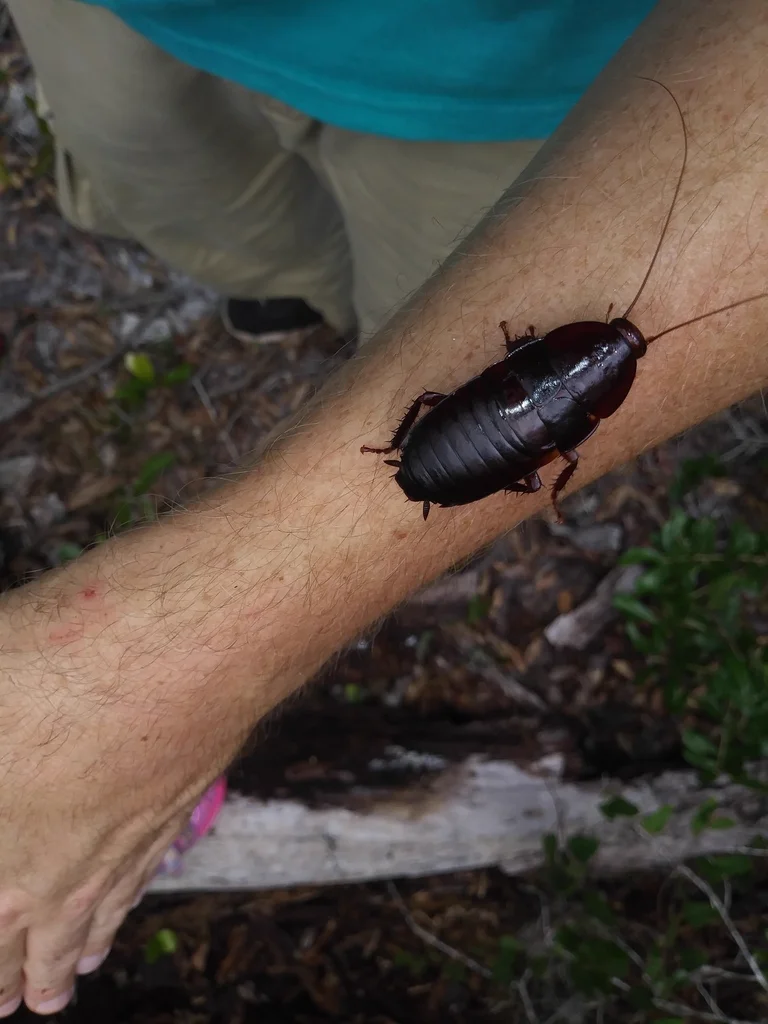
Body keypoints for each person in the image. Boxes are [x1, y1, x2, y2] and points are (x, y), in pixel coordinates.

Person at [1, 0, 767, 1015]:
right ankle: (300, 291)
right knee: (212, 203)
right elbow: (536, 414)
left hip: (487, 93)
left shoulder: (573, 367)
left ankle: (360, 327)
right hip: (132, 26)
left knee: (411, 294)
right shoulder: (585, 389)